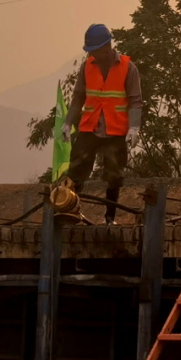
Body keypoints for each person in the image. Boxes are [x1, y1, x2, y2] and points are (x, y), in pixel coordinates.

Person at [63, 24, 143, 225]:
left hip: (115, 131)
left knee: (114, 176)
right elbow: (78, 97)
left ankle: (110, 218)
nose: (92, 55)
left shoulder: (128, 68)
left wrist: (134, 127)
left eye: (95, 50)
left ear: (107, 47)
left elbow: (135, 101)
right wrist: (67, 123)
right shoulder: (87, 67)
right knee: (76, 169)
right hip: (90, 128)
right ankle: (70, 211)